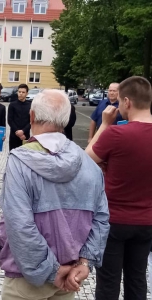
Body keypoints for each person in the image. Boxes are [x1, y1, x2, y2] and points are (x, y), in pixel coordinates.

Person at [0, 89, 110, 300]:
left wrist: (51, 270)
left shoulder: (20, 161)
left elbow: (19, 224)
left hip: (28, 279)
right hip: (70, 274)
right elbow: (101, 218)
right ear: (66, 120)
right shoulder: (89, 163)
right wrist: (85, 262)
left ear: (32, 116)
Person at [86, 76, 152, 300]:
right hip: (146, 221)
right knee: (137, 279)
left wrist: (104, 124)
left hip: (114, 220)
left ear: (127, 102)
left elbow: (86, 159)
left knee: (108, 283)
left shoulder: (116, 133)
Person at [8, 83, 31, 151]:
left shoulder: (30, 105)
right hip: (14, 136)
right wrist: (18, 133)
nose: (21, 93)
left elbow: (32, 121)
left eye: (23, 92)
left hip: (25, 136)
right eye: (19, 92)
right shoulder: (12, 105)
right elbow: (10, 120)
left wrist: (23, 131)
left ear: (27, 93)